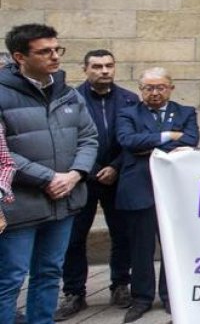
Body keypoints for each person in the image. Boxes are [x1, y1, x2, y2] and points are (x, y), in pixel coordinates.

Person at [0, 24, 99, 324]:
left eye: (58, 50)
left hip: (64, 201)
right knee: (10, 279)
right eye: (45, 51)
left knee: (49, 273)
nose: (55, 57)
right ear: (20, 56)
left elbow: (89, 137)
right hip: (20, 205)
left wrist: (75, 175)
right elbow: (2, 152)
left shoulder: (67, 93)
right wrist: (47, 177)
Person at [56, 50, 138, 319]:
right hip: (82, 178)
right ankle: (74, 291)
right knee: (74, 236)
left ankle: (120, 284)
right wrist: (89, 169)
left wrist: (115, 166)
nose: (104, 71)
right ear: (85, 69)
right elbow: (67, 140)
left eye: (109, 66)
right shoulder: (70, 98)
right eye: (97, 66)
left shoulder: (129, 99)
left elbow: (134, 138)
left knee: (122, 234)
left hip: (119, 177)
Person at [115, 68, 199, 322]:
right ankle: (141, 297)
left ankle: (170, 295)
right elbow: (128, 141)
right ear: (140, 90)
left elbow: (192, 139)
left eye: (160, 87)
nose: (154, 92)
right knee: (141, 247)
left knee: (172, 246)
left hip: (174, 189)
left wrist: (148, 144)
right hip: (139, 186)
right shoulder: (127, 113)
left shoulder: (185, 112)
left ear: (171, 87)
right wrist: (169, 137)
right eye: (148, 88)